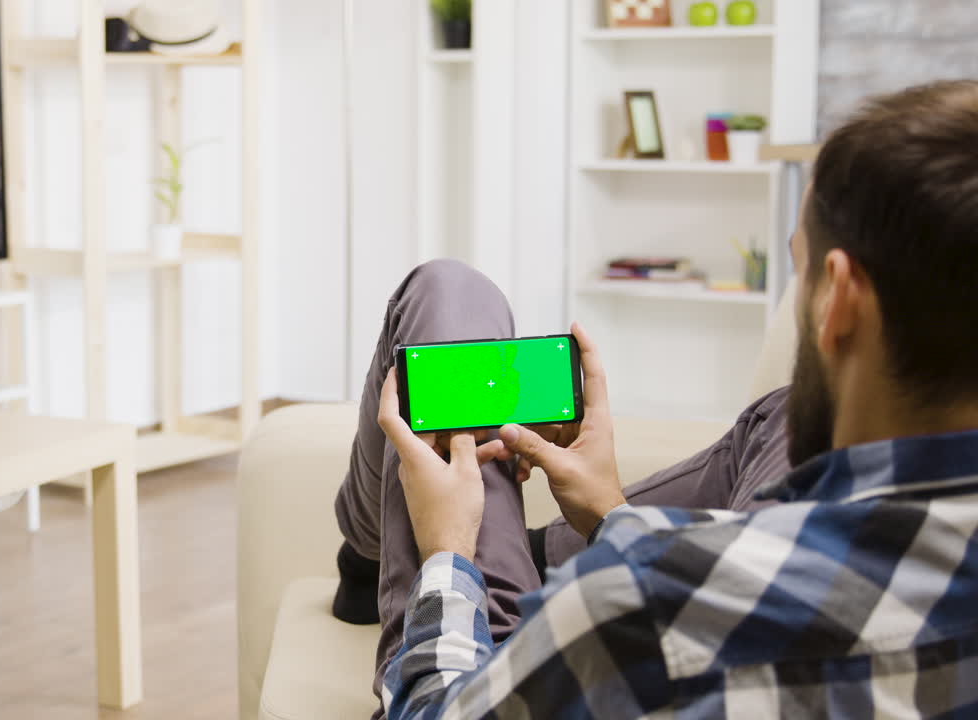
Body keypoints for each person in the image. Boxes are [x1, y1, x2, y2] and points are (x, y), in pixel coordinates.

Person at [336, 79, 978, 718]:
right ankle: (531, 545)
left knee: (446, 290)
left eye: (800, 268)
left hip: (512, 641)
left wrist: (447, 550)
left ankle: (393, 549)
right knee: (780, 415)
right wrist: (611, 515)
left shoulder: (650, 605)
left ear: (838, 300)